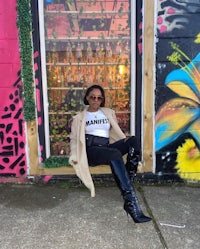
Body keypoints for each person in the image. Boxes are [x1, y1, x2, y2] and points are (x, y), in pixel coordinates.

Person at [69, 84, 151, 223]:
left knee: (133, 141)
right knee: (114, 154)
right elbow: (74, 140)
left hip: (107, 147)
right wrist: (74, 156)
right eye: (93, 97)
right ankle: (131, 203)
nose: (96, 100)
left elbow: (114, 131)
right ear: (87, 98)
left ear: (102, 100)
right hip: (92, 151)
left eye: (99, 98)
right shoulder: (79, 118)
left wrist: (124, 139)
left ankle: (128, 180)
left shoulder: (107, 112)